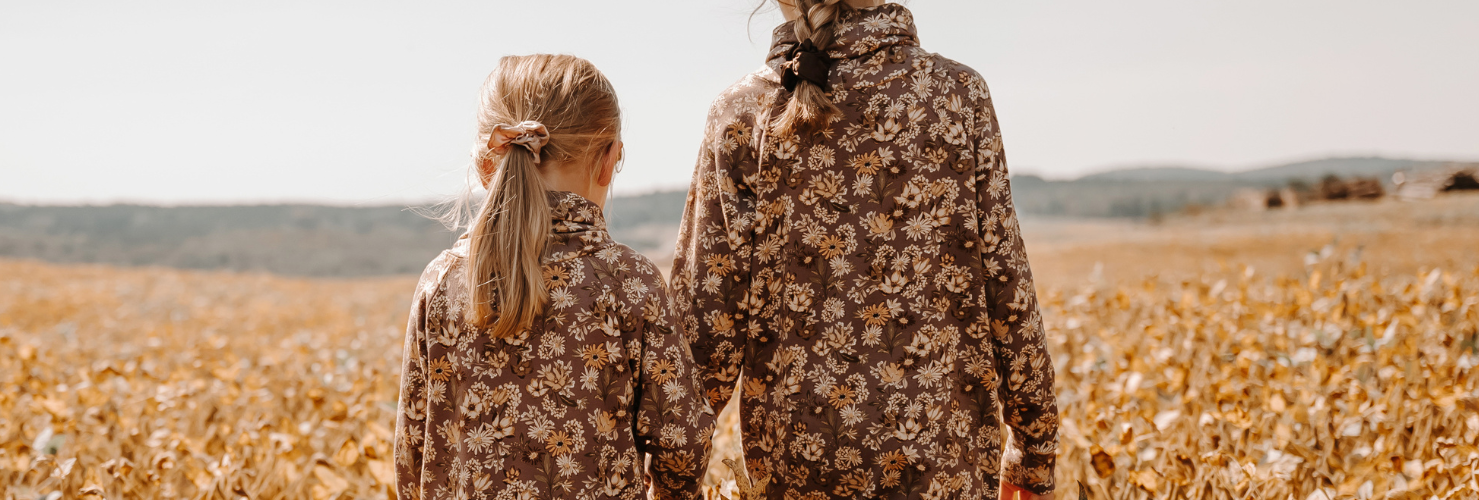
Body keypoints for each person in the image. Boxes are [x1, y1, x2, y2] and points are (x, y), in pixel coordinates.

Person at [668, 1, 1061, 499]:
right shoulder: (957, 95)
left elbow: (705, 326)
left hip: (795, 474)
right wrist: (1033, 452)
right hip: (948, 469)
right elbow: (1008, 286)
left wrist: (671, 476)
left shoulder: (741, 111)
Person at [394, 54, 715, 500]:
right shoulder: (629, 281)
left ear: (490, 165)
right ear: (609, 160)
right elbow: (682, 444)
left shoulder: (442, 281)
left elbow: (414, 452)